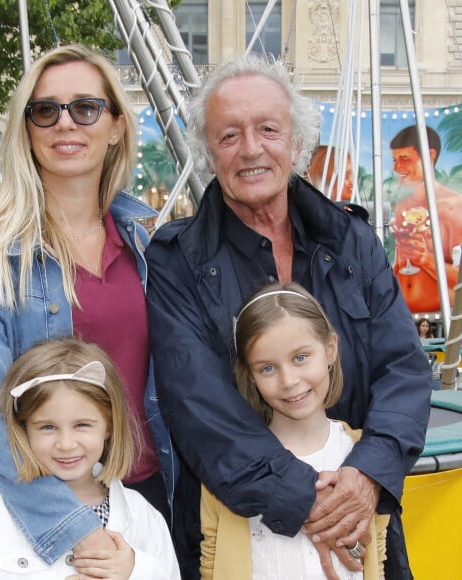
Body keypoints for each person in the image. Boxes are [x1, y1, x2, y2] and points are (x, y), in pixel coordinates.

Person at [145, 53, 432, 580]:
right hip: (241, 533)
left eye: (268, 129)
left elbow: (405, 369)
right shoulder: (177, 260)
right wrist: (312, 502)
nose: (251, 148)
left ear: (296, 144)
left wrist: (366, 477)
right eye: (229, 135)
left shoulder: (352, 240)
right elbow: (198, 408)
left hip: (361, 521)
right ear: (208, 155)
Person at [0, 44, 175, 569]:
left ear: (115, 125)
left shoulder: (149, 249)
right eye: (45, 110)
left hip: (145, 503)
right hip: (34, 516)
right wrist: (75, 528)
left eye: (85, 107)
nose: (65, 123)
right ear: (27, 130)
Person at [200, 283, 390, 580]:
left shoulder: (364, 455)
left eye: (300, 357)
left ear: (330, 349)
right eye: (267, 368)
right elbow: (212, 557)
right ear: (249, 375)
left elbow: (376, 551)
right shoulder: (232, 462)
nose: (288, 380)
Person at [0, 337, 180, 579]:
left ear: (109, 425)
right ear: (23, 428)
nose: (66, 444)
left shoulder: (143, 515)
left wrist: (135, 572)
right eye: (47, 427)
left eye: (82, 425)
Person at [390, 125, 462, 313]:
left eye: (405, 159)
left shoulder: (454, 206)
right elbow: (399, 266)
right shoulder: (401, 208)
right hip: (400, 317)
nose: (398, 167)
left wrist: (426, 259)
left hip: (442, 319)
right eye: (395, 160)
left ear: (429, 156)